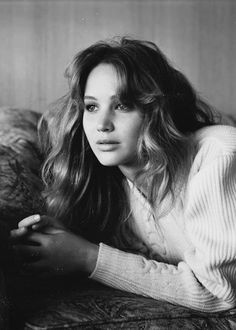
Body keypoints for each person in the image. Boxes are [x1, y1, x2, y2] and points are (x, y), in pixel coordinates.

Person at [10, 37, 236, 312]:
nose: (102, 125)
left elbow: (222, 292)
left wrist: (89, 257)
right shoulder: (114, 181)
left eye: (122, 105)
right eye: (91, 107)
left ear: (158, 110)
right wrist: (58, 241)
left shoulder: (218, 155)